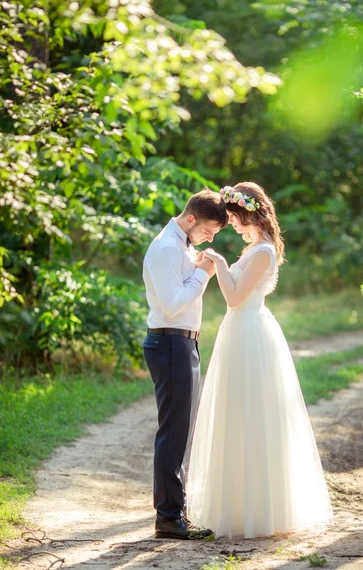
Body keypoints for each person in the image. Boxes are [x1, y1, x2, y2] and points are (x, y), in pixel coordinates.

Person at [186, 182, 333, 538]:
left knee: (252, 415)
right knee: (236, 415)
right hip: (239, 333)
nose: (230, 224)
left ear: (246, 212)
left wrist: (219, 263)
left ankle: (258, 511)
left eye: (232, 217)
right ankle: (237, 505)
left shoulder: (263, 251)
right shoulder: (254, 248)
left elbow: (235, 297)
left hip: (250, 334)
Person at [142, 188, 228, 540]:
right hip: (169, 341)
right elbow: (174, 303)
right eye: (208, 231)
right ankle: (168, 516)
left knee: (179, 430)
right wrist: (204, 274)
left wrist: (197, 266)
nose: (209, 238)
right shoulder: (166, 248)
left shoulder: (182, 247)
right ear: (191, 219)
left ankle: (173, 511)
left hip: (182, 342)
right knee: (173, 432)